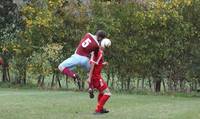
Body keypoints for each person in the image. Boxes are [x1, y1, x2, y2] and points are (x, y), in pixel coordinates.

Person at [88, 38, 111, 114]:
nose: (107, 48)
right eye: (107, 47)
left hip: (96, 76)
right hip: (96, 77)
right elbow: (93, 64)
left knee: (102, 92)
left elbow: (95, 63)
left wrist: (103, 64)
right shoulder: (99, 53)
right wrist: (90, 77)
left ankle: (100, 108)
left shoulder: (97, 51)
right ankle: (98, 109)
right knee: (107, 93)